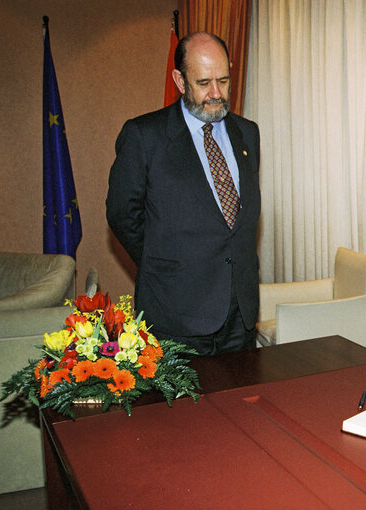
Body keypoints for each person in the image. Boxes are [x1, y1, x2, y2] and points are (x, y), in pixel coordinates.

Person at [106, 32, 260, 356]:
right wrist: (165, 262)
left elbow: (238, 220)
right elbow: (122, 214)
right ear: (179, 80)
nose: (216, 93)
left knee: (242, 406)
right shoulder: (144, 136)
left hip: (240, 319)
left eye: (224, 80)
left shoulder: (247, 133)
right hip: (176, 318)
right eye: (204, 82)